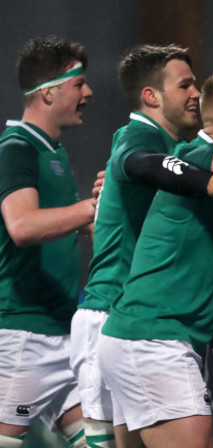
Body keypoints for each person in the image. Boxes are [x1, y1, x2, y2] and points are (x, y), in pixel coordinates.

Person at [70, 44, 213, 448]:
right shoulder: (139, 138)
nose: (197, 94)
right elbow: (139, 162)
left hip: (138, 319)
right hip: (119, 312)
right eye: (185, 85)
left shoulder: (175, 149)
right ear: (151, 96)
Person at [0, 36, 97, 448]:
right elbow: (22, 225)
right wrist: (92, 208)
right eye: (79, 85)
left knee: (101, 442)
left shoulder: (51, 151)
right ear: (49, 92)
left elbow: (66, 226)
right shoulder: (17, 148)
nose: (88, 93)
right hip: (24, 334)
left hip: (61, 332)